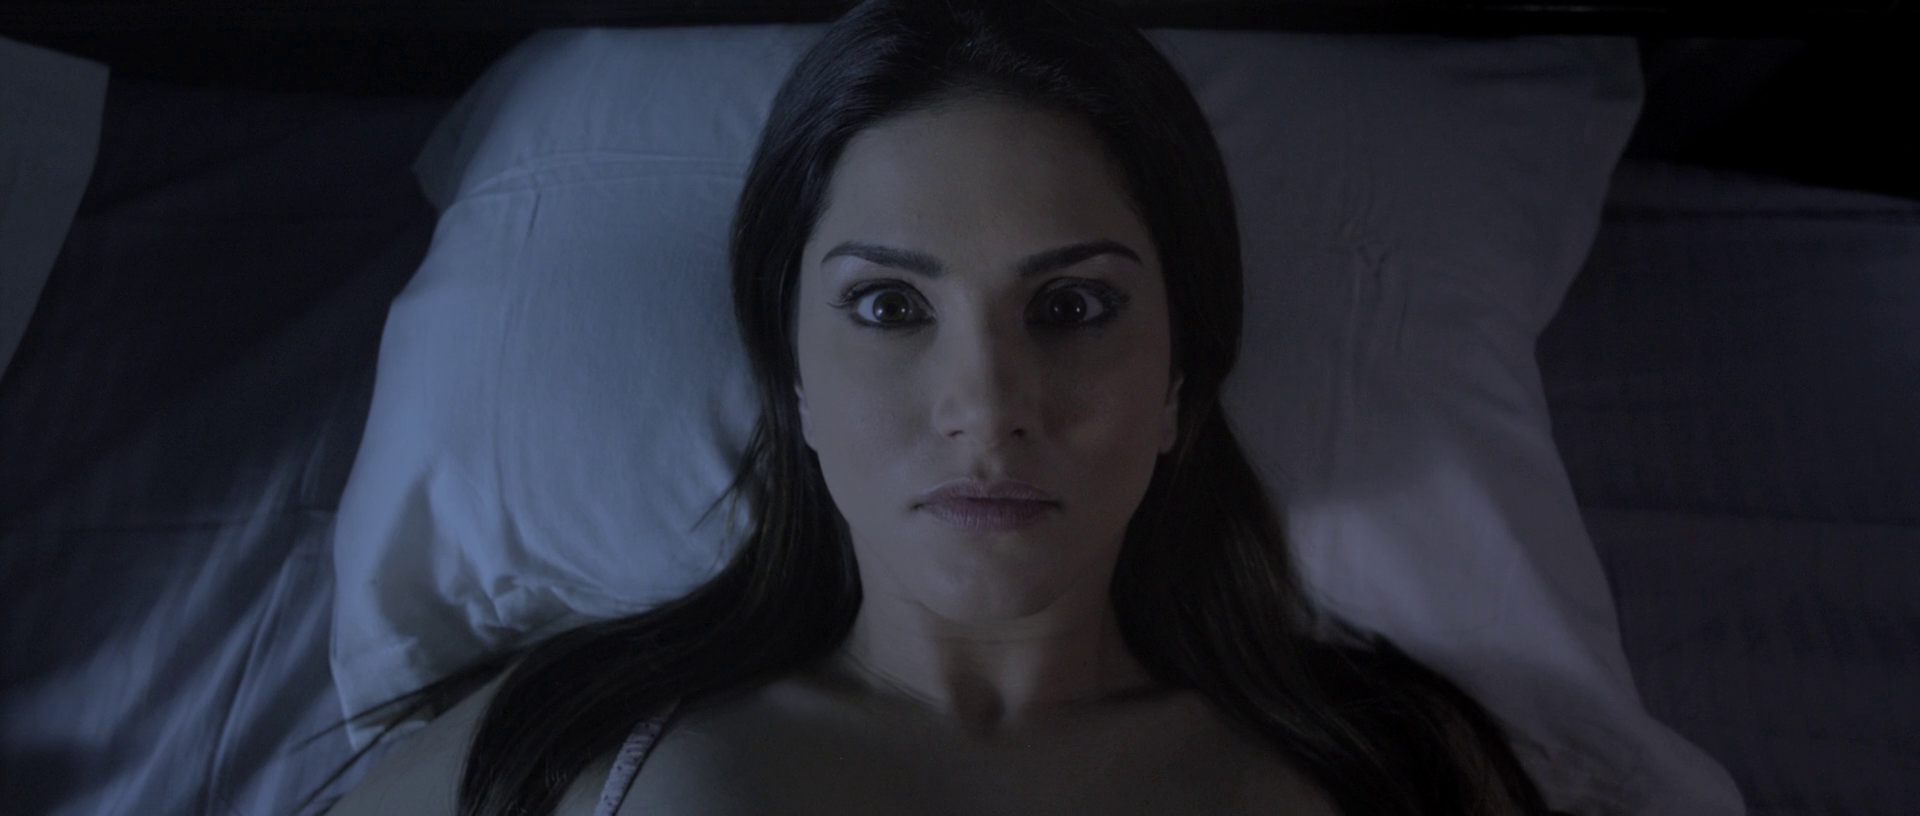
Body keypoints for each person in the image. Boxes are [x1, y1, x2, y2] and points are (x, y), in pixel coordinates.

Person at [317, 1, 1553, 814]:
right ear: (793, 378)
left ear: (1180, 382)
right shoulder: (562, 735)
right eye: (890, 307)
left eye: (1072, 306)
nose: (987, 406)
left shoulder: (1385, 764)